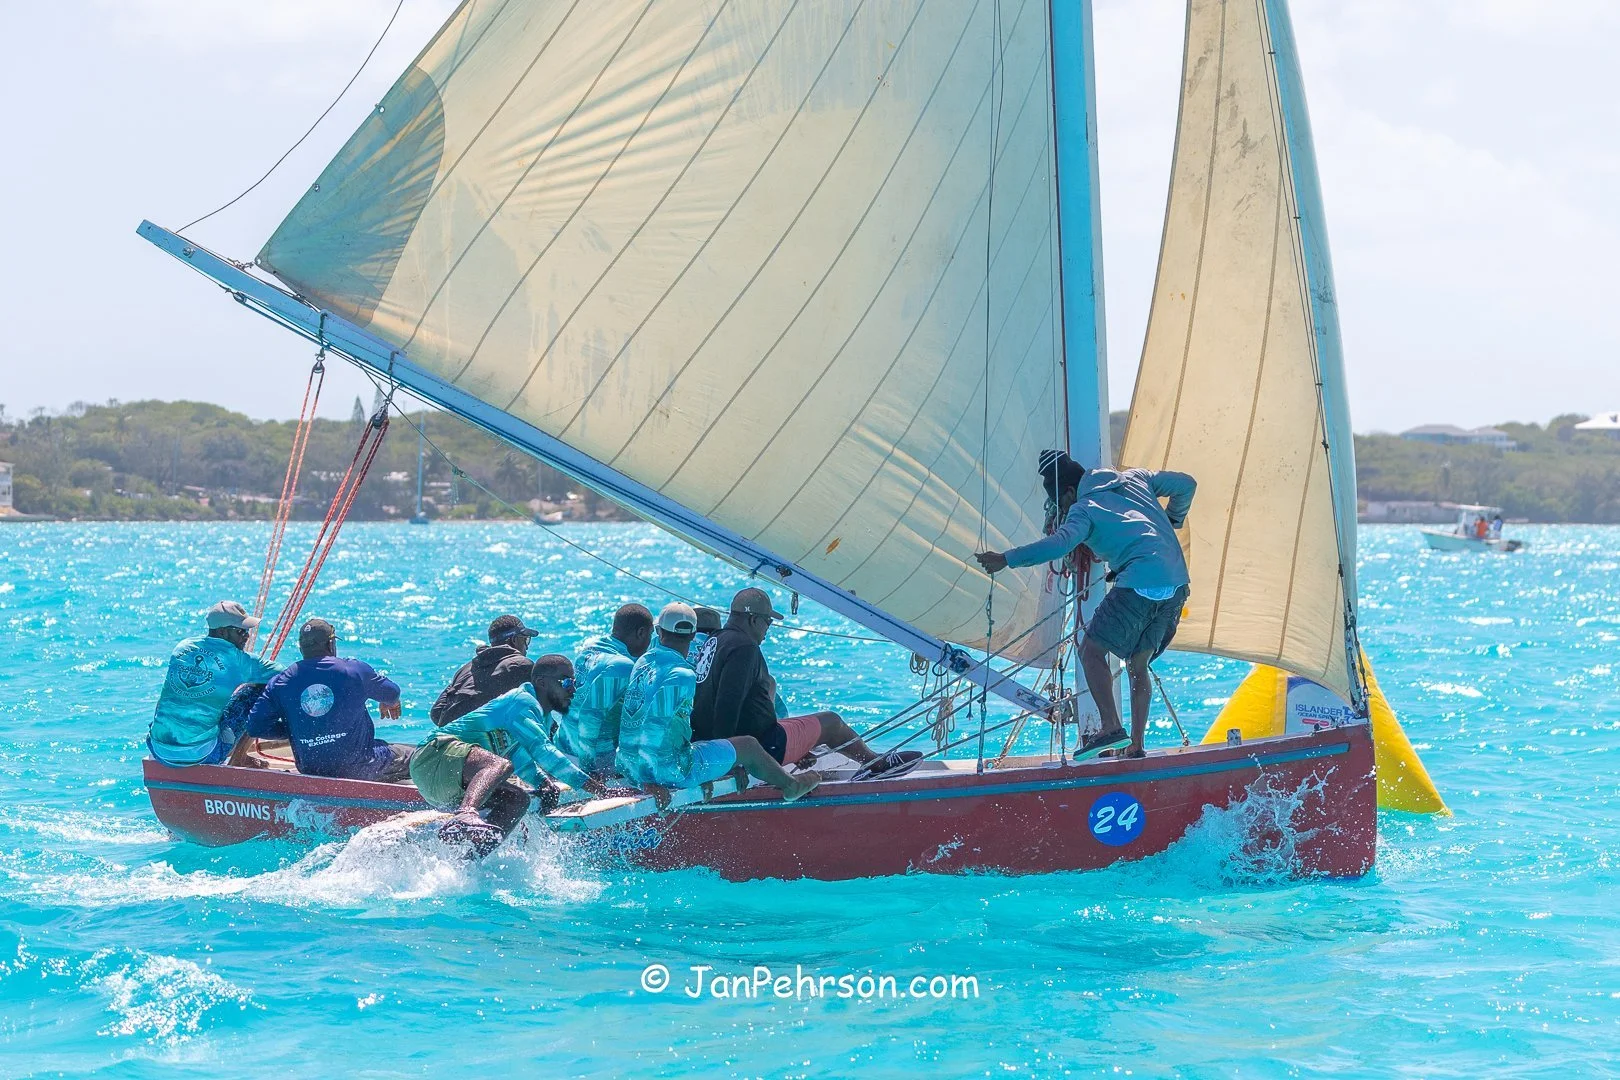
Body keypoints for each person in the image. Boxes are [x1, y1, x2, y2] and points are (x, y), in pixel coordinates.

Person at [975, 450, 1196, 761]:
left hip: (1138, 584)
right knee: (1137, 665)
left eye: (1060, 505)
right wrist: (1174, 518)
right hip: (1175, 586)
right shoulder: (1137, 479)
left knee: (1090, 650)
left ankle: (1110, 727)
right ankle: (1135, 746)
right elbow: (1187, 484)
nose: (1062, 512)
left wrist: (1006, 559)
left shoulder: (1084, 509)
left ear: (1068, 492)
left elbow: (1059, 544)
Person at [617, 602, 819, 801]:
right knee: (748, 746)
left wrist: (638, 775)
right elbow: (660, 726)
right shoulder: (683, 675)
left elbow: (634, 722)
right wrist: (712, 772)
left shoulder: (642, 663)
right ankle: (791, 785)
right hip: (668, 772)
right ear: (693, 635)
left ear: (659, 632)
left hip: (628, 765)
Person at [410, 654, 595, 853]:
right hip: (430, 757)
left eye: (574, 683)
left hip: (448, 782)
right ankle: (466, 812)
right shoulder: (522, 701)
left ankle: (471, 860)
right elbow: (543, 751)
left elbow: (517, 755)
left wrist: (542, 782)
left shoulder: (543, 716)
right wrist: (594, 787)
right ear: (541, 682)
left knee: (517, 800)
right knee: (499, 765)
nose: (572, 690)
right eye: (566, 682)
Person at [692, 587, 889, 773]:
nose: (768, 629)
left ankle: (802, 748)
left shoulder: (715, 640)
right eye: (767, 621)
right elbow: (727, 705)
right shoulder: (744, 647)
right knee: (832, 722)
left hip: (726, 741)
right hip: (764, 746)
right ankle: (876, 764)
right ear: (753, 620)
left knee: (799, 722)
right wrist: (727, 762)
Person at [244, 618, 413, 781]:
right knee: (414, 756)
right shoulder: (353, 670)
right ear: (330, 644)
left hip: (311, 768)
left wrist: (294, 731)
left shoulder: (281, 681)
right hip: (360, 766)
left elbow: (255, 727)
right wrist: (390, 702)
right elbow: (392, 692)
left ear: (302, 647)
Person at [149, 601, 282, 766]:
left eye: (247, 631)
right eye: (241, 631)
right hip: (204, 755)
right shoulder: (238, 661)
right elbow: (286, 676)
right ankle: (239, 759)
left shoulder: (183, 647)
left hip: (158, 749)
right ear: (222, 631)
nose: (247, 636)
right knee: (256, 692)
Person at [560, 604, 654, 774]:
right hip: (588, 759)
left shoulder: (589, 649)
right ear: (641, 633)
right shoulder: (623, 666)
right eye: (650, 634)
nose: (649, 642)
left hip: (563, 745)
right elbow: (590, 717)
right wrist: (589, 770)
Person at [429, 615, 538, 727]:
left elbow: (436, 713)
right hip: (473, 739)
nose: (527, 647)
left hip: (445, 736)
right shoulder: (521, 664)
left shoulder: (466, 668)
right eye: (525, 640)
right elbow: (542, 707)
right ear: (514, 640)